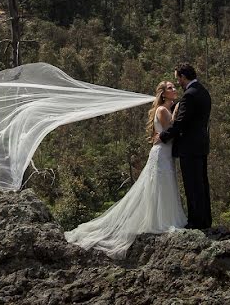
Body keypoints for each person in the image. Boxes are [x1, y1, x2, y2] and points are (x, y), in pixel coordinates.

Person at [64, 80, 187, 258]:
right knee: (160, 186)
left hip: (165, 153)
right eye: (170, 88)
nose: (174, 90)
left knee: (162, 187)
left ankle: (161, 218)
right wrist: (176, 110)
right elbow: (173, 129)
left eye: (173, 87)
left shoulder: (164, 109)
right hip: (162, 154)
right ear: (163, 93)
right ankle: (160, 222)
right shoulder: (162, 110)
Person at [155, 63, 212, 229]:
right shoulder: (204, 92)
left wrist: (163, 136)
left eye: (178, 78)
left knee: (192, 185)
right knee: (202, 184)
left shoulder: (189, 96)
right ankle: (205, 219)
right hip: (201, 145)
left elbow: (181, 124)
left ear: (183, 77)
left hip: (190, 147)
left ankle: (196, 221)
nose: (178, 82)